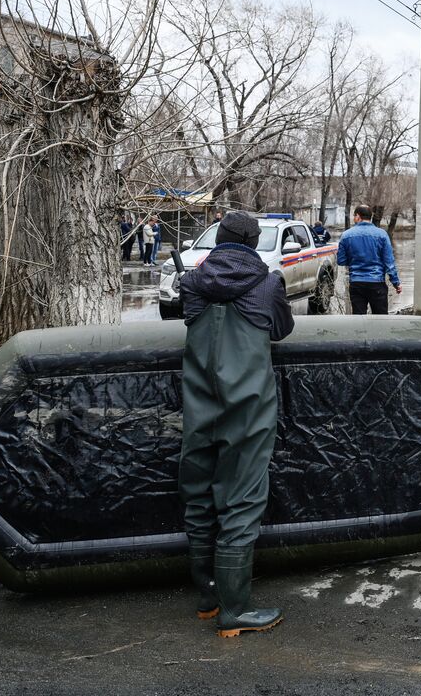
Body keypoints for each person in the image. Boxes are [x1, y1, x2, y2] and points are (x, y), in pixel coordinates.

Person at [178, 211, 294, 637]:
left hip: (198, 408)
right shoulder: (267, 283)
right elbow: (281, 329)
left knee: (198, 498)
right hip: (247, 409)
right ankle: (236, 610)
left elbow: (189, 317)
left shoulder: (191, 282)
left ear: (219, 240)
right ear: (252, 242)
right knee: (241, 500)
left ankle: (208, 598)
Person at [335, 204, 401, 314]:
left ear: (358, 216)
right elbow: (389, 262)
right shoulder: (382, 235)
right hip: (377, 283)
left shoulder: (346, 235)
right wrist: (396, 283)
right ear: (370, 217)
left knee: (359, 322)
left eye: (354, 215)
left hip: (356, 283)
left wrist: (354, 260)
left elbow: (341, 260)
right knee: (380, 320)